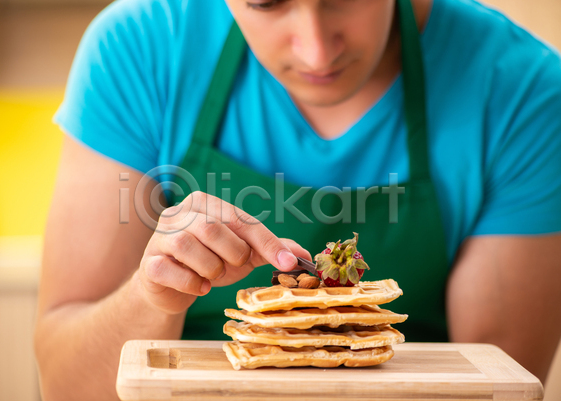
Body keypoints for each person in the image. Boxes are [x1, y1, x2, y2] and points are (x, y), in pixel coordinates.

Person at [34, 0, 561, 399]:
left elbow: (499, 385)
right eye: (266, 1)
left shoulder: (516, 88)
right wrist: (149, 299)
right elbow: (66, 382)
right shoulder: (141, 47)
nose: (316, 49)